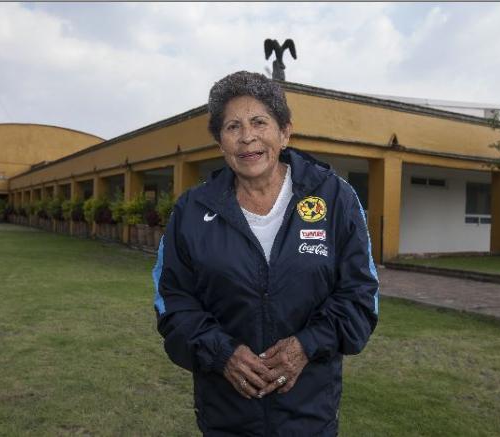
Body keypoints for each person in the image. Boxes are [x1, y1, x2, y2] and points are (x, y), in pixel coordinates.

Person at [153, 71, 379, 436]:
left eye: (259, 122)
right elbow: (172, 303)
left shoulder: (336, 199)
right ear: (219, 141)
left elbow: (361, 297)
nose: (247, 137)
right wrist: (221, 353)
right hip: (226, 416)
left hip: (309, 416)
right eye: (232, 126)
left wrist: (306, 345)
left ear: (285, 132)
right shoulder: (191, 212)